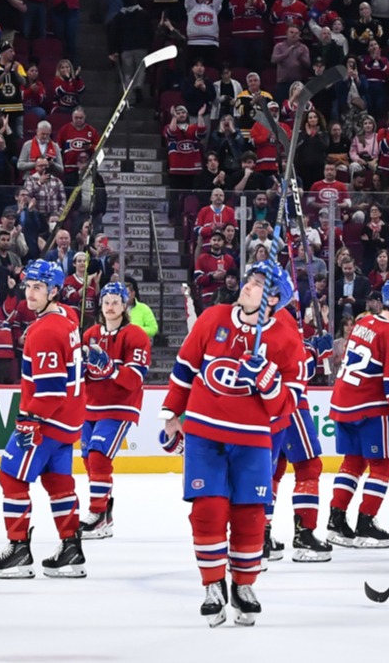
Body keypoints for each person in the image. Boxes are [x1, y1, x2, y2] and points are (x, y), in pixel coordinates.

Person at [160, 261, 307, 626]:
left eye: (257, 284)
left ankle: (243, 584)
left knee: (250, 515)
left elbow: (288, 404)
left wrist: (267, 379)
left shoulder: (287, 341)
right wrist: (171, 416)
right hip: (204, 433)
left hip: (253, 440)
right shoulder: (213, 318)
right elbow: (185, 369)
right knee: (207, 509)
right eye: (249, 280)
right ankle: (212, 585)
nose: (247, 286)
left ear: (273, 299)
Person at [0, 259, 86, 580]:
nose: (30, 293)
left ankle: (18, 551)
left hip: (47, 421)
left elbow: (51, 388)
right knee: (58, 482)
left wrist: (31, 419)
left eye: (38, 287)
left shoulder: (45, 330)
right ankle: (71, 549)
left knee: (11, 477)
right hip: (69, 420)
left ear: (54, 291)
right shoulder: (67, 316)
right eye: (28, 286)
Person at [324, 278, 389, 550]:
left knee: (353, 462)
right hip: (370, 407)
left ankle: (336, 521)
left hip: (343, 402)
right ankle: (366, 522)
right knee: (383, 465)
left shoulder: (364, 322)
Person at [77, 282, 151, 540]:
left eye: (115, 302)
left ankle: (96, 514)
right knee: (88, 457)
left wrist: (110, 368)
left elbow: (135, 380)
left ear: (124, 305)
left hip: (120, 407)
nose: (110, 307)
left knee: (98, 455)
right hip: (90, 406)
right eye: (106, 302)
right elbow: (81, 375)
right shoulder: (89, 334)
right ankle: (105, 512)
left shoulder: (136, 336)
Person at [263, 298, 334, 564]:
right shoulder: (280, 318)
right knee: (308, 466)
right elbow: (295, 363)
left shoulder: (250, 318)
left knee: (272, 469)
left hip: (265, 404)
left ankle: (260, 535)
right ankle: (305, 535)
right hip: (289, 402)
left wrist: (309, 344)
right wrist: (314, 352)